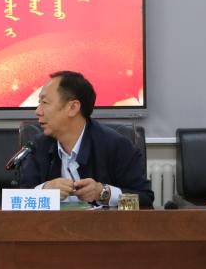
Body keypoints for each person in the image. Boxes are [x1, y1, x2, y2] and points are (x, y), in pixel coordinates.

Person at [18, 71, 154, 208]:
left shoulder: (116, 146)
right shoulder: (38, 146)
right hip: (51, 222)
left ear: (73, 107)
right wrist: (44, 191)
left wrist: (103, 193)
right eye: (39, 102)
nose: (38, 111)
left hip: (102, 222)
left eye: (45, 102)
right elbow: (17, 201)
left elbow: (145, 201)